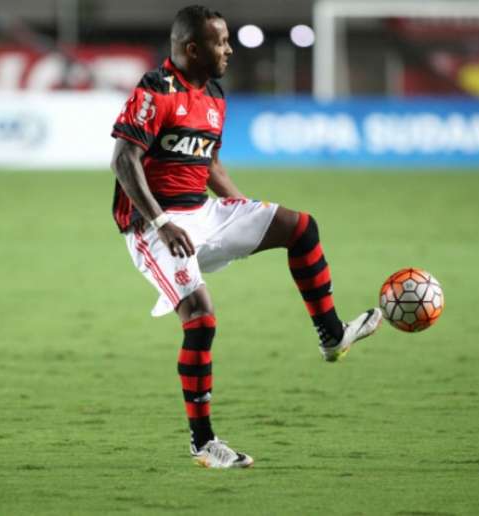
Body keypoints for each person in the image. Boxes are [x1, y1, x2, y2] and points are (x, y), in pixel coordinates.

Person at [109, 5, 382, 469]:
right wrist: (159, 223)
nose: (230, 49)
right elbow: (123, 160)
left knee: (300, 227)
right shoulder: (156, 90)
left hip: (204, 212)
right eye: (221, 42)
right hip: (151, 227)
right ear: (192, 49)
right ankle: (203, 443)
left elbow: (209, 164)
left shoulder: (214, 95)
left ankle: (332, 336)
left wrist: (244, 209)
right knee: (200, 318)